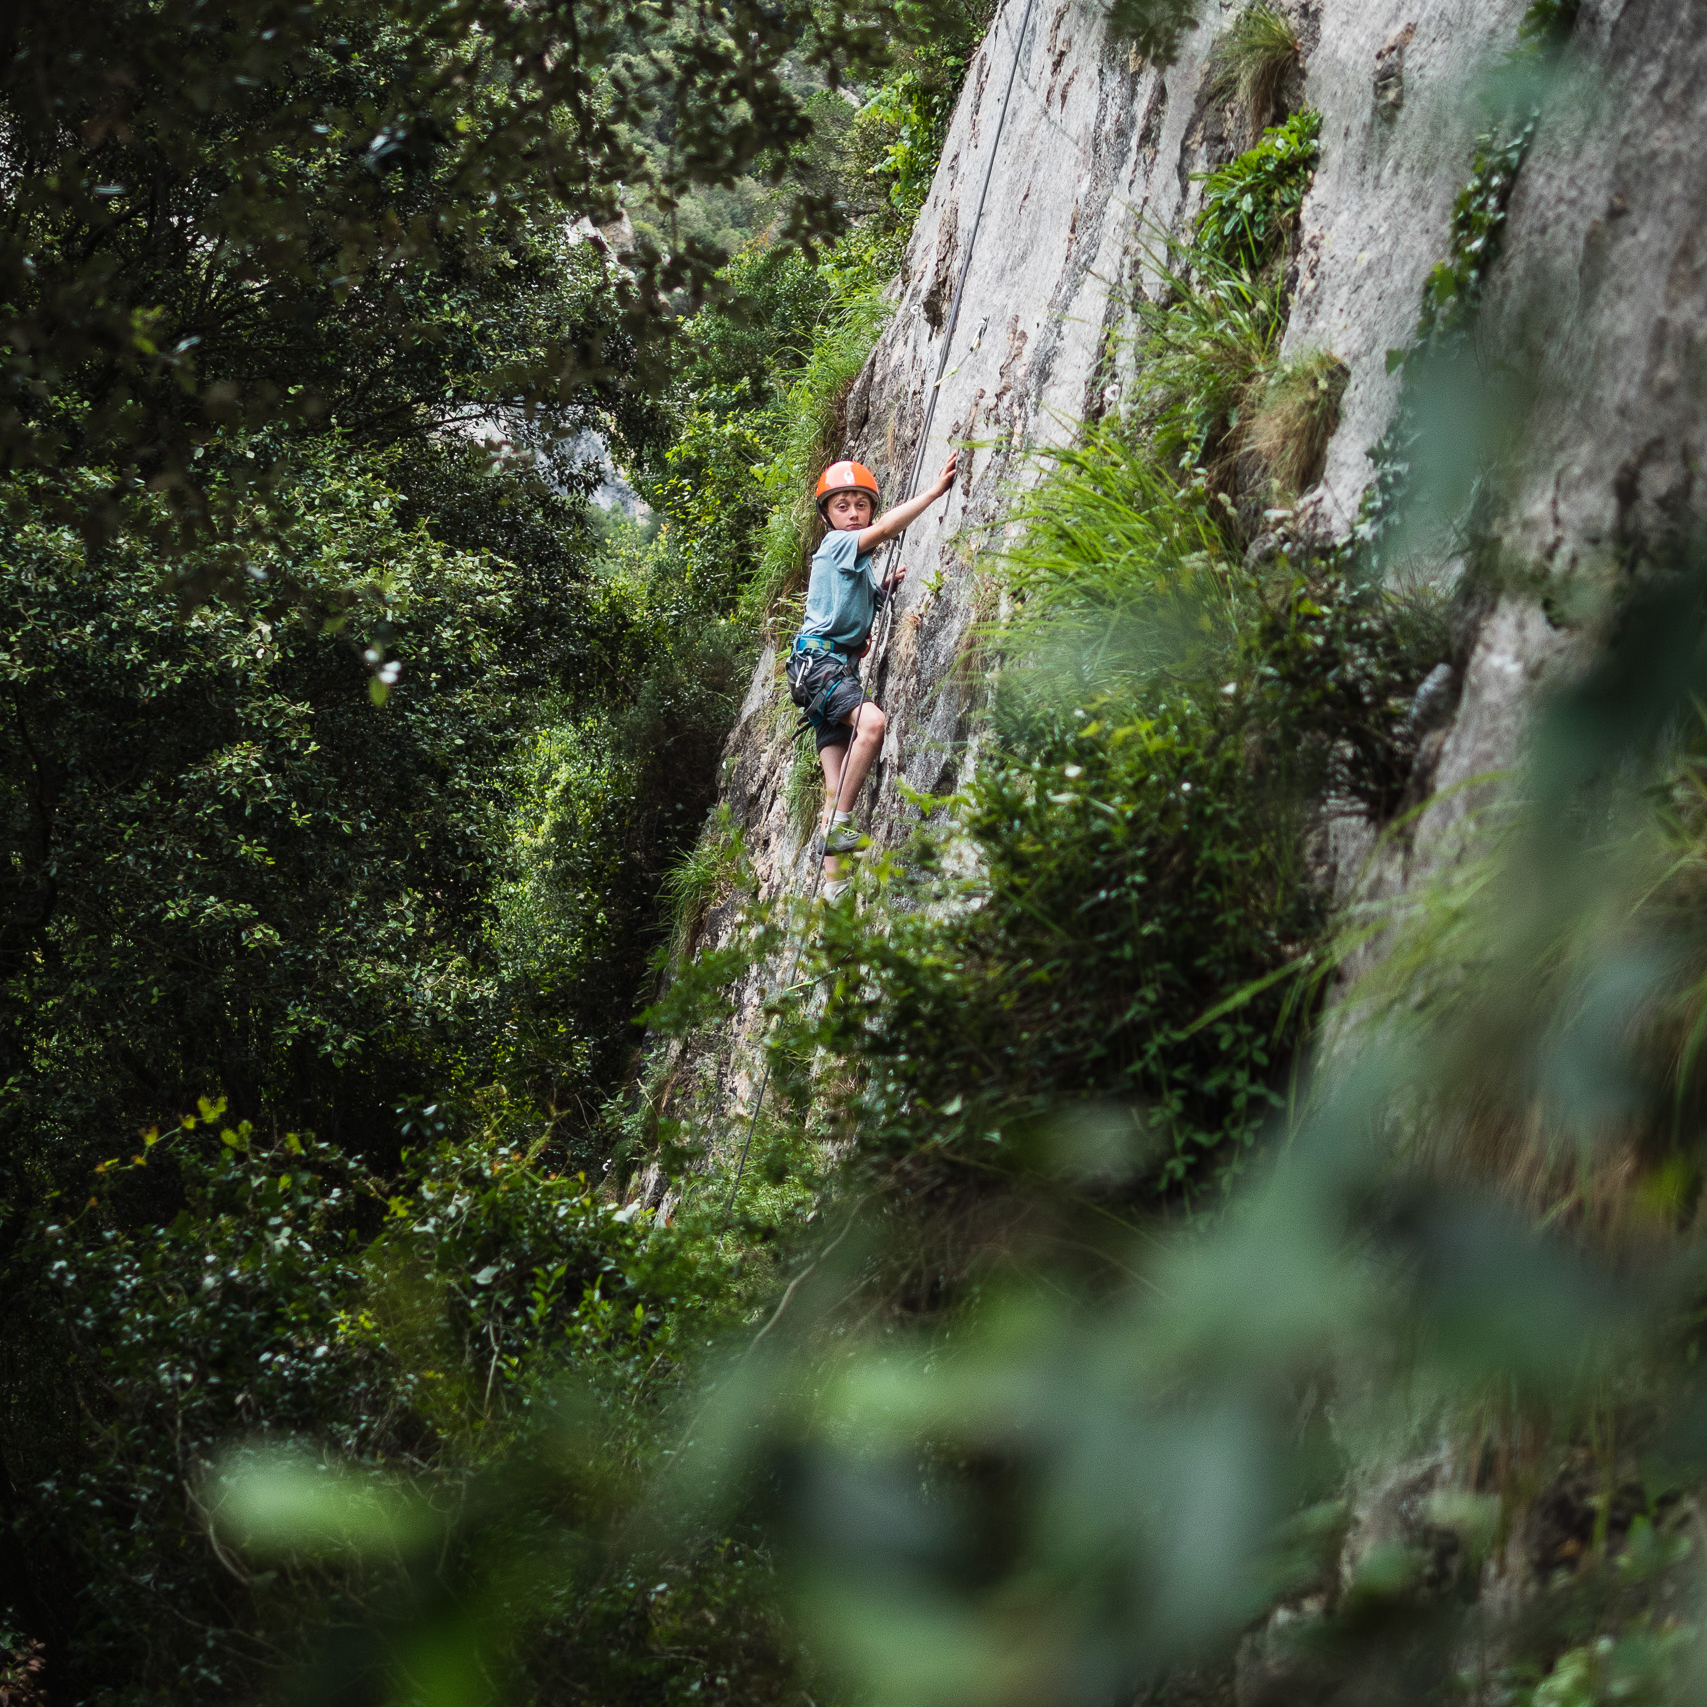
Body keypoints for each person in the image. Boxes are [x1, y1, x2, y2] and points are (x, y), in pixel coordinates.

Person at [786, 449, 960, 899]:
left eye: (861, 504)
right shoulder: (836, 545)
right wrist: (933, 493)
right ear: (827, 515)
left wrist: (882, 591)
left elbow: (851, 606)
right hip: (821, 667)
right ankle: (843, 827)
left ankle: (834, 892)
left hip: (824, 671)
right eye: (842, 506)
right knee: (874, 724)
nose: (853, 514)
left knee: (834, 786)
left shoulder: (855, 569)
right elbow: (885, 531)